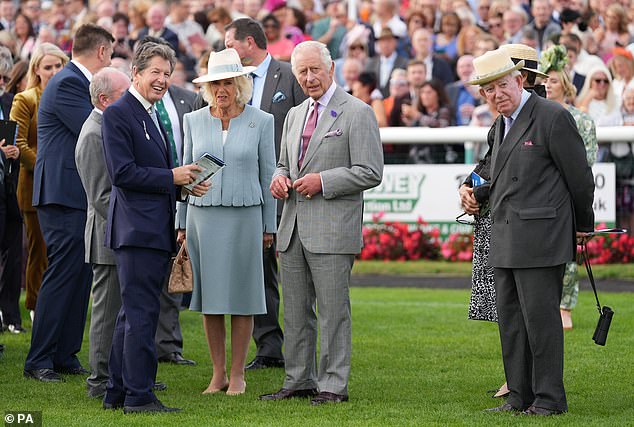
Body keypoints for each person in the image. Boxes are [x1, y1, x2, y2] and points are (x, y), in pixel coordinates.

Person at [468, 48, 594, 415]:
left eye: (502, 85)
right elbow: (497, 175)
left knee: (541, 323)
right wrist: (474, 190)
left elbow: (580, 179)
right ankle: (519, 396)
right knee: (511, 323)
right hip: (505, 237)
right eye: (489, 90)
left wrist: (582, 227)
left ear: (519, 81)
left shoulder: (552, 117)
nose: (497, 95)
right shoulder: (501, 125)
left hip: (541, 239)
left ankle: (550, 399)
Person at [262, 40, 383, 405]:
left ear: (332, 69)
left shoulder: (358, 112)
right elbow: (284, 164)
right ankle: (299, 380)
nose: (309, 77)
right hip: (294, 228)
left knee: (333, 314)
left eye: (315, 69)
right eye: (302, 71)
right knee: (296, 312)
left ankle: (333, 385)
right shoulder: (295, 114)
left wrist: (324, 182)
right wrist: (278, 178)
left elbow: (370, 171)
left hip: (332, 229)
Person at [101, 40, 208, 414]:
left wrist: (183, 183)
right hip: (136, 232)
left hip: (149, 229)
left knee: (131, 314)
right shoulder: (119, 114)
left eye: (167, 73)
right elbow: (122, 173)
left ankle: (117, 392)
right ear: (136, 73)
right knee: (142, 316)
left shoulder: (149, 112)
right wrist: (172, 176)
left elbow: (154, 175)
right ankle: (139, 396)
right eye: (155, 73)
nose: (162, 80)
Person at [177, 48, 276, 396]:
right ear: (207, 87)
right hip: (202, 219)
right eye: (216, 83)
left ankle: (238, 375)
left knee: (244, 297)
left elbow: (268, 177)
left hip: (247, 218)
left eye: (229, 82)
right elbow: (185, 175)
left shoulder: (262, 121)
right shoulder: (194, 120)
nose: (222, 89)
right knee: (211, 299)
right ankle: (217, 374)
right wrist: (182, 223)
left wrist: (270, 226)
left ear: (241, 84)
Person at [24, 24, 114, 383]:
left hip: (76, 193)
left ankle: (64, 353)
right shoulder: (69, 83)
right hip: (62, 193)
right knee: (63, 273)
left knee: (79, 274)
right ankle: (39, 358)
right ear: (103, 52)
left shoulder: (70, 80)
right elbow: (97, 127)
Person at [223, 17, 306, 371]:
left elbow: (307, 126)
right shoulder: (228, 82)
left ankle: (301, 346)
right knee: (256, 270)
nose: (226, 51)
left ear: (249, 42)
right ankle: (269, 346)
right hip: (244, 189)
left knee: (291, 269)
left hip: (285, 190)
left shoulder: (288, 76)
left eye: (230, 44)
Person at [74, 67, 130, 399]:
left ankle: (120, 375)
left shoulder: (106, 126)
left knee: (119, 311)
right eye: (125, 95)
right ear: (104, 99)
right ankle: (99, 381)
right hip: (107, 236)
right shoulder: (93, 133)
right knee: (106, 313)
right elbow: (101, 197)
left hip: (120, 231)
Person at [540, 44, 598, 330]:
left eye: (553, 80)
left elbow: (586, 162)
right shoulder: (534, 116)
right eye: (544, 80)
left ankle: (566, 307)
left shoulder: (582, 120)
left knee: (569, 251)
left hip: (568, 193)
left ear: (564, 84)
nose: (548, 85)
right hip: (541, 196)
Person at [10, 43, 66, 324]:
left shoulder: (71, 96)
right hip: (34, 186)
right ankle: (34, 305)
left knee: (62, 251)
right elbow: (17, 142)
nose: (54, 71)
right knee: (39, 249)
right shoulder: (27, 98)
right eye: (48, 67)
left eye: (58, 66)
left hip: (67, 185)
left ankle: (57, 308)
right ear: (36, 70)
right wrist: (48, 168)